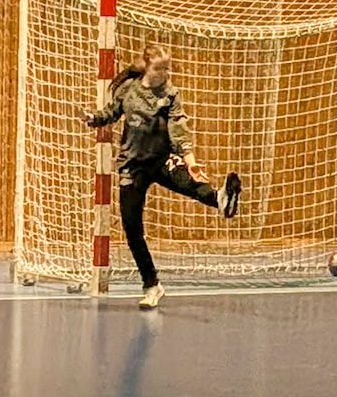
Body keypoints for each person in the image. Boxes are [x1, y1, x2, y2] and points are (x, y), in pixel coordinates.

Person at [81, 45, 242, 309]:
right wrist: (92, 118)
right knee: (132, 229)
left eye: (167, 68)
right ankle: (152, 285)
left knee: (191, 183)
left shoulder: (170, 94)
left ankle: (221, 199)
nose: (164, 73)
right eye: (159, 68)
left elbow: (179, 128)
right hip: (133, 165)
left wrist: (190, 160)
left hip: (162, 159)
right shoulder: (128, 89)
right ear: (147, 67)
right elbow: (111, 112)